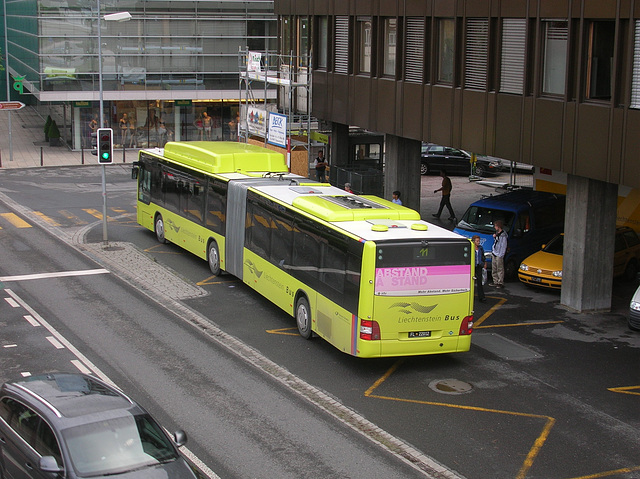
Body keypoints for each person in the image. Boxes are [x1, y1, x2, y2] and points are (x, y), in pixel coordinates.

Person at [490, 219, 508, 288]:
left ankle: (500, 282)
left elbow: (503, 246)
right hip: (495, 252)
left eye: (495, 226)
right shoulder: (497, 234)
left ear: (498, 226)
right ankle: (495, 281)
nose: (495, 227)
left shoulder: (503, 236)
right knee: (494, 268)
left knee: (499, 268)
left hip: (499, 254)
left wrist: (501, 255)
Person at [473, 235, 487, 302]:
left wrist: (484, 263)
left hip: (479, 265)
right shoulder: (472, 248)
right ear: (474, 241)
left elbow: (483, 256)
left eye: (479, 241)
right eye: (477, 241)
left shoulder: (480, 248)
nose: (478, 242)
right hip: (473, 266)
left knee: (479, 281)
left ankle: (481, 297)